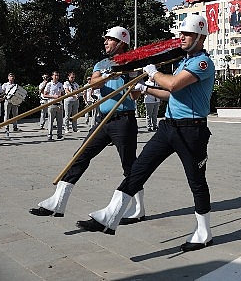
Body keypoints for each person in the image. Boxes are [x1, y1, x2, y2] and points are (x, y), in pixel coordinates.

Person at [75, 16, 215, 253]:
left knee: (196, 181)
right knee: (139, 168)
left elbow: (173, 85)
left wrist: (153, 73)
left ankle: (204, 232)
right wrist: (146, 88)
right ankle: (111, 213)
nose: (181, 38)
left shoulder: (202, 63)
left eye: (187, 34)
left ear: (201, 37)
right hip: (169, 126)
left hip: (192, 130)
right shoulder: (183, 62)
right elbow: (172, 96)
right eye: (181, 34)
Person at [30, 26, 146, 227]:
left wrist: (133, 82)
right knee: (80, 155)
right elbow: (94, 85)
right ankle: (58, 201)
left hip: (123, 120)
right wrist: (108, 75)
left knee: (129, 165)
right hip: (103, 119)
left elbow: (135, 96)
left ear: (121, 42)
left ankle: (138, 208)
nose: (105, 43)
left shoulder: (133, 64)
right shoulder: (101, 64)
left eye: (109, 40)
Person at [43, 71, 64, 141]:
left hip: (59, 104)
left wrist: (61, 95)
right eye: (55, 75)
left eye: (58, 75)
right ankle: (49, 134)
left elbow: (63, 93)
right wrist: (53, 96)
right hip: (52, 104)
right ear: (52, 76)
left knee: (60, 121)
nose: (57, 77)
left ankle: (59, 134)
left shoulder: (60, 84)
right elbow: (44, 94)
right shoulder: (49, 84)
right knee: (50, 121)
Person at [1, 73, 20, 138]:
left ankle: (15, 126)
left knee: (15, 114)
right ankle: (6, 127)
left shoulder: (16, 85)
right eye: (10, 76)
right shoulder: (5, 85)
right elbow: (2, 92)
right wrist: (4, 96)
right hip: (7, 100)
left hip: (14, 101)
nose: (11, 78)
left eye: (12, 77)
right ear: (8, 78)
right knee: (6, 114)